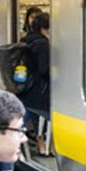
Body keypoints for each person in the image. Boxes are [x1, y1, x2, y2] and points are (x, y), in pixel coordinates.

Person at [20, 12, 51, 154]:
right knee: (52, 117)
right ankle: (46, 145)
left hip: (25, 90)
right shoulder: (43, 44)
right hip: (39, 91)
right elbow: (44, 69)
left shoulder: (25, 40)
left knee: (20, 121)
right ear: (44, 28)